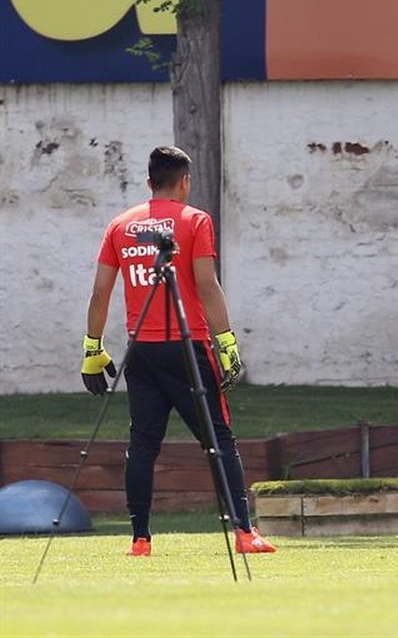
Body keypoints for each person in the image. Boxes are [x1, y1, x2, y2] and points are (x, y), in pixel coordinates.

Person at [81, 146, 276, 556]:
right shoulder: (195, 220)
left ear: (150, 182)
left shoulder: (120, 225)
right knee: (220, 438)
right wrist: (227, 342)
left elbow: (100, 293)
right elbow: (207, 285)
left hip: (141, 351)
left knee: (143, 444)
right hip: (188, 348)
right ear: (184, 181)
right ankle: (244, 533)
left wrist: (92, 349)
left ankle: (139, 539)